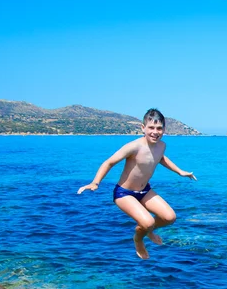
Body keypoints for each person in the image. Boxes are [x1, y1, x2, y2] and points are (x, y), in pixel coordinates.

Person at [77, 108, 197, 259]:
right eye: (151, 128)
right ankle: (138, 239)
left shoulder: (161, 146)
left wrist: (180, 171)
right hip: (124, 193)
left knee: (169, 217)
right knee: (147, 222)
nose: (155, 132)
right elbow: (109, 162)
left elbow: (161, 158)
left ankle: (148, 230)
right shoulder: (133, 146)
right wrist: (95, 183)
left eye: (159, 128)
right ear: (143, 128)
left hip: (145, 191)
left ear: (164, 129)